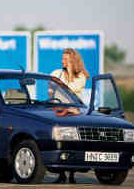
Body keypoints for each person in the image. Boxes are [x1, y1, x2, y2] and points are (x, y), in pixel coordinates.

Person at [50, 48, 90, 184]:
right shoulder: (57, 73)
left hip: (74, 113)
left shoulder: (81, 76)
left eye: (66, 59)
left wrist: (71, 72)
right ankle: (61, 174)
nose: (63, 61)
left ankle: (72, 174)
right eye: (62, 59)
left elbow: (70, 90)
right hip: (58, 111)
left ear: (73, 61)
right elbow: (51, 89)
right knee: (61, 141)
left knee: (74, 142)